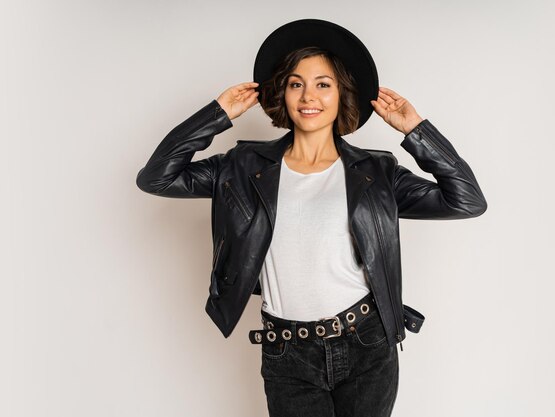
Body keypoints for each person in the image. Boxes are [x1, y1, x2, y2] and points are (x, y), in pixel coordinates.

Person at [136, 18, 487, 417]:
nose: (309, 96)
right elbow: (157, 178)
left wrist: (417, 131)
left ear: (341, 95)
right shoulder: (241, 166)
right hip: (288, 351)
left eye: (323, 84)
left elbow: (467, 201)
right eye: (296, 83)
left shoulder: (377, 172)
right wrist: (217, 115)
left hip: (367, 345)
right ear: (283, 93)